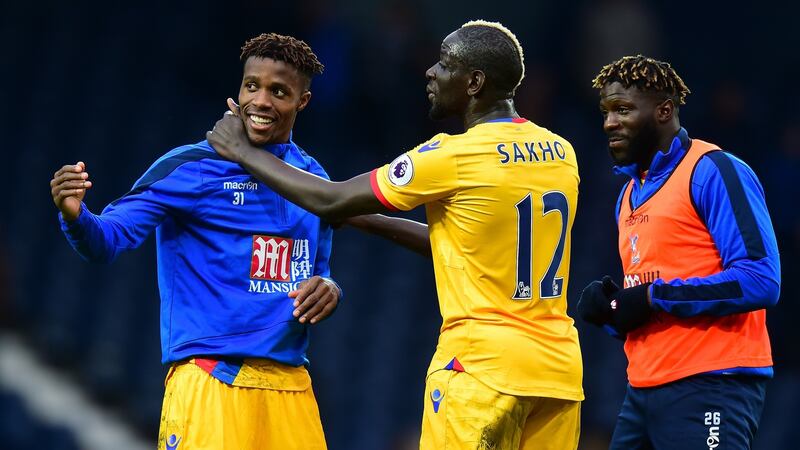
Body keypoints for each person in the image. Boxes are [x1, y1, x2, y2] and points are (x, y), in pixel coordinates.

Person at [208, 20, 584, 450]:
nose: (430, 72)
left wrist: (239, 149)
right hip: (557, 372)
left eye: (444, 65)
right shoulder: (561, 153)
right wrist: (363, 219)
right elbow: (464, 247)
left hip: (482, 367)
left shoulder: (453, 154)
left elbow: (331, 199)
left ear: (474, 82)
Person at [49, 33, 341, 450]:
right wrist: (75, 215)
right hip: (211, 379)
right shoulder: (190, 167)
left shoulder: (315, 182)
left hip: (290, 386)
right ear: (239, 90)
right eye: (252, 86)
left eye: (279, 92)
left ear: (302, 102)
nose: (261, 101)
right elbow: (107, 240)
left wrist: (329, 288)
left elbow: (319, 272)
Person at [577, 55, 781, 449]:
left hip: (712, 384)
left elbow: (761, 279)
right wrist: (613, 310)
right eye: (605, 112)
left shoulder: (714, 170)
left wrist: (653, 297)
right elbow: (657, 299)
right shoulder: (627, 196)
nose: (609, 123)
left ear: (664, 111)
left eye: (623, 110)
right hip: (643, 388)